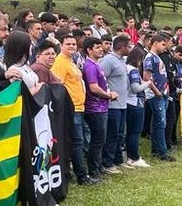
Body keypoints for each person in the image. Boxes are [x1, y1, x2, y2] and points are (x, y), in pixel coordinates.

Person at [52, 33, 95, 184]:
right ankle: (81, 175)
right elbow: (58, 86)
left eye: (73, 44)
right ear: (61, 46)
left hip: (79, 106)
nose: (71, 46)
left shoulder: (71, 61)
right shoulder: (60, 62)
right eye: (68, 44)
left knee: (78, 141)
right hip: (71, 108)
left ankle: (73, 172)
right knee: (77, 142)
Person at [81, 36, 115, 179]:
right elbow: (94, 88)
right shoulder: (90, 66)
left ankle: (98, 167)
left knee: (100, 140)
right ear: (89, 50)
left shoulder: (96, 64)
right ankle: (93, 170)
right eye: (97, 47)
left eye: (101, 46)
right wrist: (109, 95)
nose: (101, 49)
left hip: (101, 107)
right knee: (97, 140)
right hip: (95, 108)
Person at [100, 34, 130, 172]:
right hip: (112, 105)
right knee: (112, 135)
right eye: (128, 46)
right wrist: (108, 93)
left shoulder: (121, 60)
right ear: (122, 47)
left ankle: (118, 160)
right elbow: (101, 79)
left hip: (122, 103)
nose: (130, 48)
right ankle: (107, 162)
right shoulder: (108, 60)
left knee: (120, 134)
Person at [143, 34, 175, 162]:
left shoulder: (157, 58)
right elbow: (146, 77)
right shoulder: (150, 58)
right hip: (156, 95)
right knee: (160, 123)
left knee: (159, 123)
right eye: (163, 44)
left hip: (163, 93)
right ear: (155, 43)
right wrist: (157, 92)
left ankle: (157, 149)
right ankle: (161, 151)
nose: (164, 47)